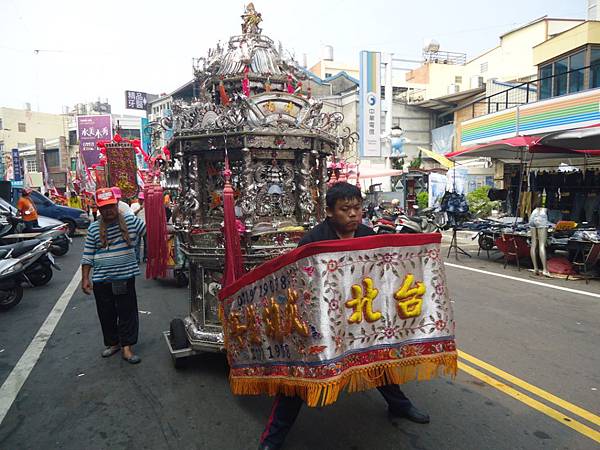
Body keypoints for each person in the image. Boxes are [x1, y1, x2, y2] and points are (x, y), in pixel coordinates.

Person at [258, 182, 430, 450]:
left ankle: (399, 405)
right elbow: (299, 283)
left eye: (357, 208)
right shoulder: (312, 242)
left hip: (360, 313)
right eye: (345, 209)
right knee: (301, 377)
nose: (353, 214)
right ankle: (273, 438)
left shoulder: (367, 234)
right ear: (329, 212)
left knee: (377, 360)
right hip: (322, 319)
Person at [81, 187, 146, 364]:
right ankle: (113, 343)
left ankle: (127, 347)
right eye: (104, 208)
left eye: (111, 206)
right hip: (102, 280)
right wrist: (85, 278)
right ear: (99, 209)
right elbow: (87, 255)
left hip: (124, 278)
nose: (108, 211)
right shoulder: (94, 228)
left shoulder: (130, 222)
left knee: (127, 312)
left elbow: (150, 232)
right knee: (106, 313)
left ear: (116, 205)